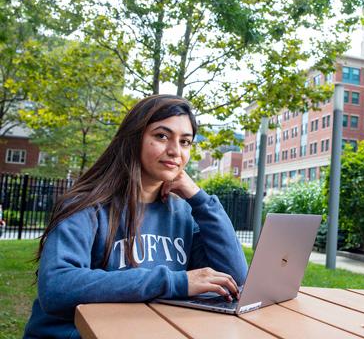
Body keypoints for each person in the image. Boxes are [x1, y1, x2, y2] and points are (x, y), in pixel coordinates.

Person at [24, 95, 248, 339]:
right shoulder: (86, 205)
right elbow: (57, 286)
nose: (175, 151)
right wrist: (174, 282)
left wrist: (200, 199)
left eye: (185, 142)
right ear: (134, 138)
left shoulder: (183, 212)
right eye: (162, 136)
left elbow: (234, 278)